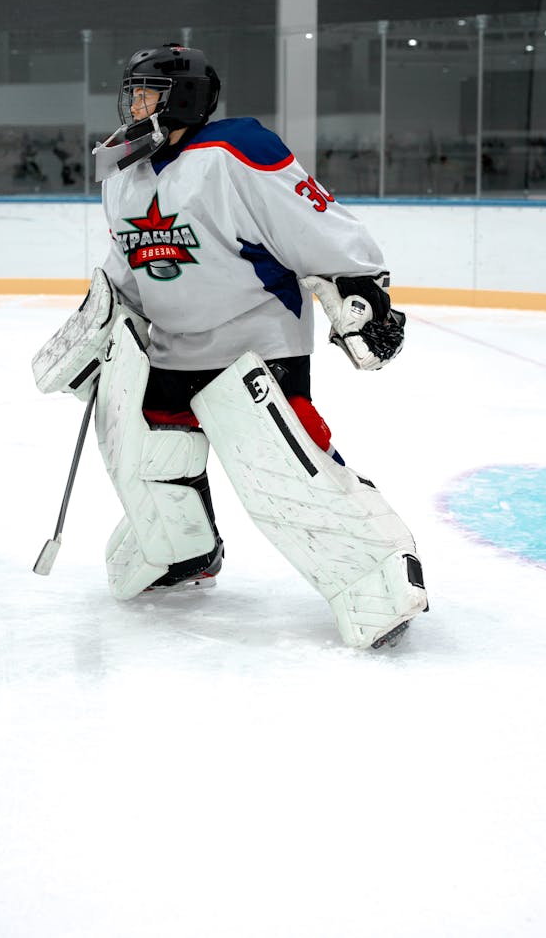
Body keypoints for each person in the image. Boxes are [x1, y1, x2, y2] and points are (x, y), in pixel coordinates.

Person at [32, 44, 428, 649]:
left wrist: (357, 294)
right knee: (145, 459)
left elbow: (318, 225)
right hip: (169, 351)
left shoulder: (235, 152)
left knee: (279, 466)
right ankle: (182, 551)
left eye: (148, 93)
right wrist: (98, 333)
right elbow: (125, 274)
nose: (133, 105)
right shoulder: (123, 177)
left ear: (184, 98)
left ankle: (374, 568)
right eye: (132, 93)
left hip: (254, 347)